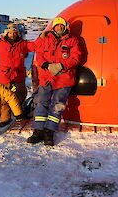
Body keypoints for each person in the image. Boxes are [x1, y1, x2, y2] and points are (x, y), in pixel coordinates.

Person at [27, 17, 81, 146]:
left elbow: (76, 57)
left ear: (65, 27)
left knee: (58, 105)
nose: (59, 28)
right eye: (57, 26)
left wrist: (62, 65)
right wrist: (46, 65)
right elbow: (39, 55)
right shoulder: (45, 39)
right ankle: (38, 131)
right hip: (46, 78)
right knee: (41, 103)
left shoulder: (72, 41)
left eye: (61, 26)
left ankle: (49, 132)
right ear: (53, 27)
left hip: (64, 79)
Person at [0, 24, 42, 127]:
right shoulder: (0, 44)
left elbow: (35, 46)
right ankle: (5, 117)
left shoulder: (22, 44)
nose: (12, 35)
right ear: (7, 33)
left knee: (22, 93)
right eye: (10, 33)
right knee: (3, 97)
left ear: (17, 34)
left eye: (15, 33)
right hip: (5, 75)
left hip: (18, 74)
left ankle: (16, 111)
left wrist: (42, 37)